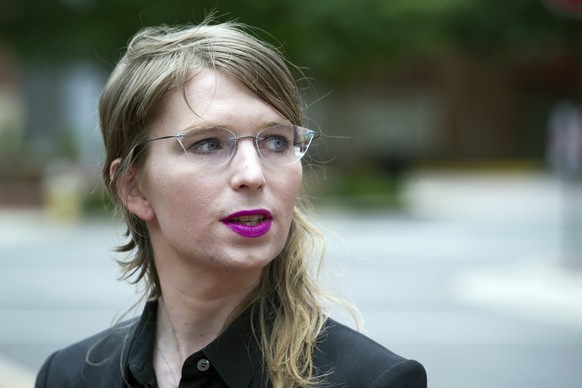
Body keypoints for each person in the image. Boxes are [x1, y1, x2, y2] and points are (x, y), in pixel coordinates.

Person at [35, 19, 427, 388]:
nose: (253, 175)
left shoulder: (373, 380)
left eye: (276, 141)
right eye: (208, 144)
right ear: (133, 188)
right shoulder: (68, 376)